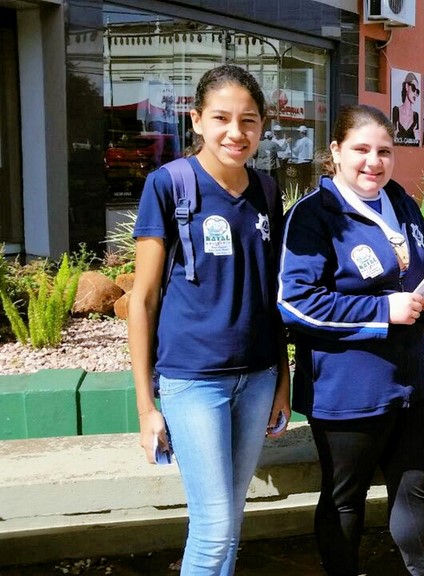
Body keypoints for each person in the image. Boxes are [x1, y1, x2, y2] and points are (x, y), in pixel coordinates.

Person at [276, 104, 424, 576]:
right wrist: (381, 310)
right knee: (345, 500)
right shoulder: (312, 216)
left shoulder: (402, 202)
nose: (373, 162)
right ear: (335, 152)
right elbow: (295, 303)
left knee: (416, 487)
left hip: (410, 383)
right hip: (348, 392)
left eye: (384, 151)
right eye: (361, 150)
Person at [128, 63, 291, 575]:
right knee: (215, 524)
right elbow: (144, 299)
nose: (235, 132)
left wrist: (282, 380)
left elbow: (275, 295)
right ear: (197, 120)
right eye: (221, 118)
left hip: (259, 378)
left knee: (229, 522)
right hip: (192, 381)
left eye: (248, 120)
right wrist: (145, 407)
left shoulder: (266, 191)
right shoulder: (170, 184)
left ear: (262, 125)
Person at [392, 72, 422, 146]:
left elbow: (417, 144)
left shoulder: (416, 116)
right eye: (413, 88)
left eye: (417, 91)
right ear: (406, 86)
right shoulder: (396, 111)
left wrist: (417, 137)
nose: (415, 93)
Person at [290, 125, 314, 191]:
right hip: (308, 163)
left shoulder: (299, 141)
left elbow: (296, 151)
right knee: (307, 181)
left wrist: (291, 148)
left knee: (300, 181)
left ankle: (301, 195)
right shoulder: (310, 141)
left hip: (301, 162)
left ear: (301, 132)